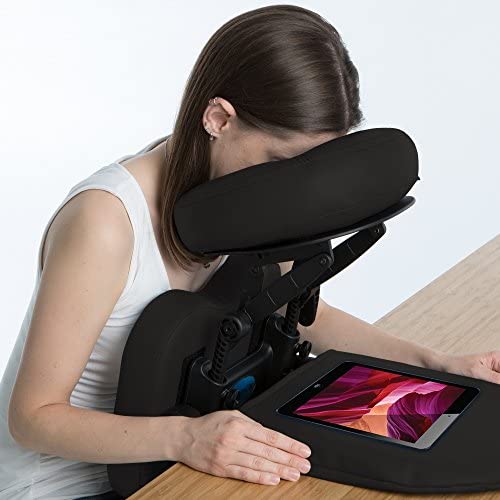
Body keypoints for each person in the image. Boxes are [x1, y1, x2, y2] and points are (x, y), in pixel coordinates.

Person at [2, 4, 500, 499]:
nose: (293, 186)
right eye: (280, 160)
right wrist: (187, 438)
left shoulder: (244, 192)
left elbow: (296, 311)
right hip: (63, 486)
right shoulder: (105, 222)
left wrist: (437, 365)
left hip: (174, 459)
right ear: (219, 118)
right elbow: (32, 418)